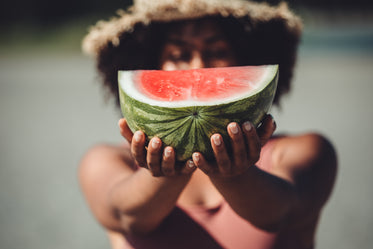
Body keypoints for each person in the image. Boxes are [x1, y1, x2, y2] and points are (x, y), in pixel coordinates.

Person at [79, 0, 337, 248]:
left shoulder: (306, 151)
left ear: (245, 58)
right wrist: (168, 174)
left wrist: (235, 177)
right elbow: (129, 217)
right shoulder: (104, 161)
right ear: (150, 63)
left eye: (217, 52)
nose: (197, 68)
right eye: (179, 54)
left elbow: (278, 214)